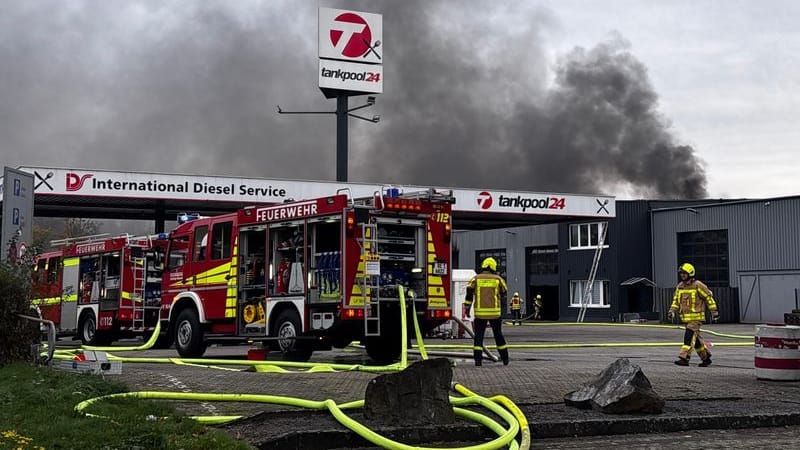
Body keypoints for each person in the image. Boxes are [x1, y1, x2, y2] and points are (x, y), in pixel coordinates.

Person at [669, 262, 719, 367]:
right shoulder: (680, 287)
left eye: (684, 273)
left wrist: (714, 312)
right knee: (696, 341)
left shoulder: (698, 285)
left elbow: (708, 298)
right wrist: (672, 311)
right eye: (681, 273)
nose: (682, 275)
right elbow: (676, 301)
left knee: (688, 337)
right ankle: (706, 358)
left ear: (690, 274)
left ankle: (684, 358)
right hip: (686, 320)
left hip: (696, 319)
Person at [464, 257, 509, 366]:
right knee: (498, 335)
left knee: (479, 337)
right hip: (495, 314)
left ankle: (478, 361)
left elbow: (469, 296)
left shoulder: (475, 279)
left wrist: (467, 310)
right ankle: (505, 359)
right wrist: (502, 311)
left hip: (480, 314)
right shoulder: (498, 279)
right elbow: (504, 294)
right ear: (493, 267)